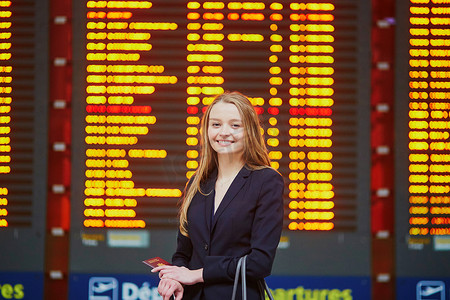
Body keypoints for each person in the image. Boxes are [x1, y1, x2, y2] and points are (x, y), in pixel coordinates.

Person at [152, 91, 284, 300]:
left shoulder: (266, 181)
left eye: (235, 125)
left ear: (250, 131)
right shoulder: (197, 182)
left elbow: (259, 262)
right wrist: (175, 277)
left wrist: (196, 275)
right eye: (215, 124)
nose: (224, 132)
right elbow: (183, 254)